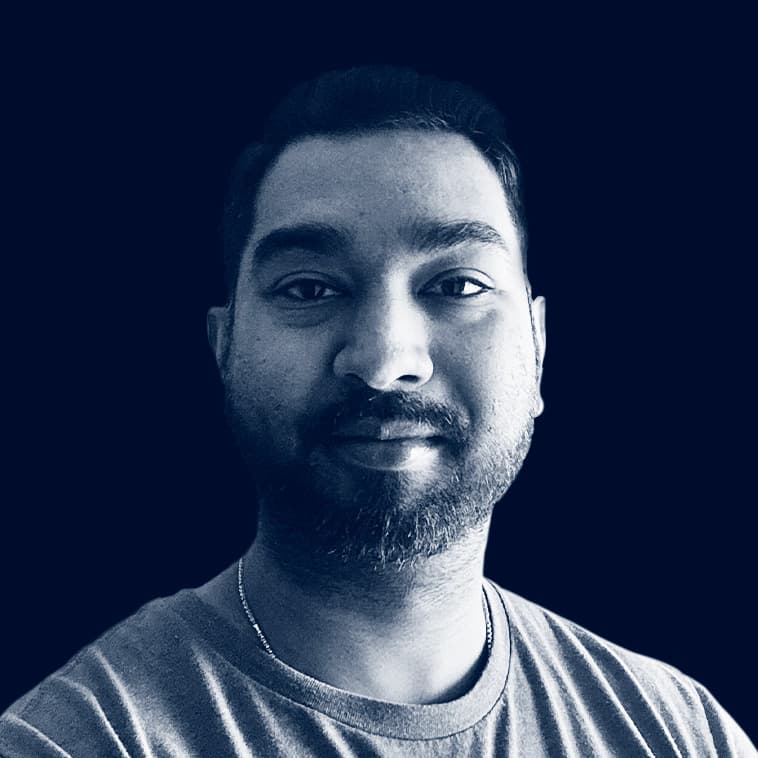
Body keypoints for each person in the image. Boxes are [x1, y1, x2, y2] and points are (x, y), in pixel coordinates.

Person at [1, 65, 754, 757]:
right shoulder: (78, 740)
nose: (386, 359)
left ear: (539, 347)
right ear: (223, 348)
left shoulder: (681, 733)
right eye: (309, 288)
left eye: (457, 286)